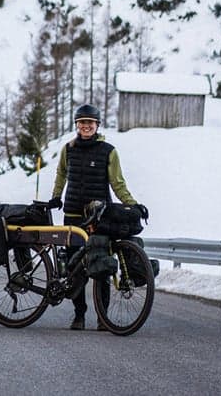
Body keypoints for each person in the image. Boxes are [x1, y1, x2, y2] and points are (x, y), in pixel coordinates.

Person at [48, 104, 147, 331]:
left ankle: (102, 318)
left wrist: (132, 204)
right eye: (82, 122)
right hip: (72, 216)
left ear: (97, 125)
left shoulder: (108, 151)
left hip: (99, 218)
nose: (86, 126)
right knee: (75, 268)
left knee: (101, 267)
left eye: (90, 123)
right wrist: (56, 196)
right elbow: (61, 174)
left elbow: (118, 183)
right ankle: (79, 315)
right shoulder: (68, 149)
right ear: (76, 125)